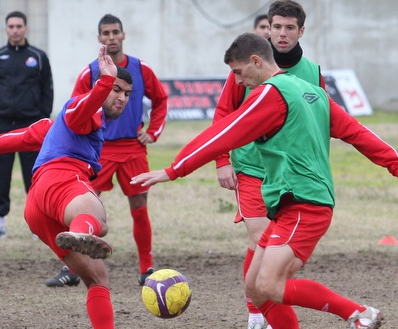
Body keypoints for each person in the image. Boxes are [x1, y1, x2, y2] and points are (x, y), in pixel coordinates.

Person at [131, 33, 392, 329]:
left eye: (238, 72)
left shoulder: (270, 94)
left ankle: (359, 314)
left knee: (269, 285)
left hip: (305, 203)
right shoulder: (314, 93)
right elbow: (361, 135)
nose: (238, 81)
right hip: (292, 204)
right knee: (255, 286)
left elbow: (225, 133)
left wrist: (174, 169)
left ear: (256, 61)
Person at [0, 45, 133, 329]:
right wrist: (104, 83)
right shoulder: (83, 111)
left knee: (98, 278)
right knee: (99, 221)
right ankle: (80, 233)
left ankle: (79, 234)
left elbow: (21, 136)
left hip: (36, 205)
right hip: (61, 181)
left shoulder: (53, 126)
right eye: (117, 90)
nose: (121, 98)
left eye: (127, 93)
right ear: (101, 86)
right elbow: (82, 109)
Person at [213, 2, 323, 328]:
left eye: (290, 27)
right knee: (260, 237)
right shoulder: (247, 67)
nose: (282, 33)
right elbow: (223, 115)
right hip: (250, 169)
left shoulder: (313, 74)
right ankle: (256, 311)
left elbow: (321, 123)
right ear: (268, 28)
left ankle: (268, 300)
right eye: (277, 26)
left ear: (301, 31)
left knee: (277, 253)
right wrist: (222, 161)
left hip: (291, 176)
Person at [47, 13, 168, 287]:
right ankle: (73, 270)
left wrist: (153, 131)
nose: (111, 37)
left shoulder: (140, 68)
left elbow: (161, 99)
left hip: (133, 149)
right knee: (79, 207)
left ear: (123, 35)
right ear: (99, 38)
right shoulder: (89, 72)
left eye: (116, 32)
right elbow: (73, 111)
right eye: (106, 33)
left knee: (139, 208)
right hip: (98, 151)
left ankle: (146, 268)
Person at [0, 11, 53, 239]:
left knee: (35, 175)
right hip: (0, 123)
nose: (15, 30)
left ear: (26, 28)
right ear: (6, 29)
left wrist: (42, 117)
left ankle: (37, 225)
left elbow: (47, 89)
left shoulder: (38, 57)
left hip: (30, 124)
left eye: (19, 26)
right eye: (11, 26)